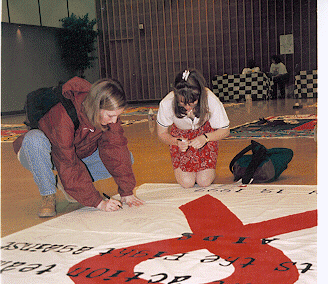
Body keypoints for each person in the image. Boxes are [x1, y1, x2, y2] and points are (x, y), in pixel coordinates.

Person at [13, 77, 144, 218]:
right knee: (34, 141)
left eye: (117, 116)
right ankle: (48, 195)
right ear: (96, 107)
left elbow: (116, 150)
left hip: (75, 155)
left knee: (126, 157)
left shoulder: (109, 117)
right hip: (46, 155)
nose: (114, 121)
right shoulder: (63, 114)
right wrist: (98, 202)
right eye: (110, 115)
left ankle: (68, 184)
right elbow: (66, 161)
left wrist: (127, 192)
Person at [156, 69, 230, 188]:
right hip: (180, 138)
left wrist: (205, 138)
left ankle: (207, 172)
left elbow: (225, 130)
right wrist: (176, 142)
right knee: (187, 183)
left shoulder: (210, 99)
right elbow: (161, 134)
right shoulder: (166, 103)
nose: (188, 108)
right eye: (182, 103)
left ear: (200, 95)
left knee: (204, 182)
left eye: (192, 103)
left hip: (206, 135)